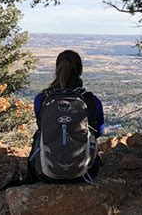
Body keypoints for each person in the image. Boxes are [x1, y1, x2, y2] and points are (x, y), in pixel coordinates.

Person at [26, 50, 105, 184]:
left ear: (57, 69)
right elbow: (99, 131)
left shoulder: (42, 99)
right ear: (80, 70)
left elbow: (42, 127)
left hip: (45, 173)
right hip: (86, 172)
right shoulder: (91, 100)